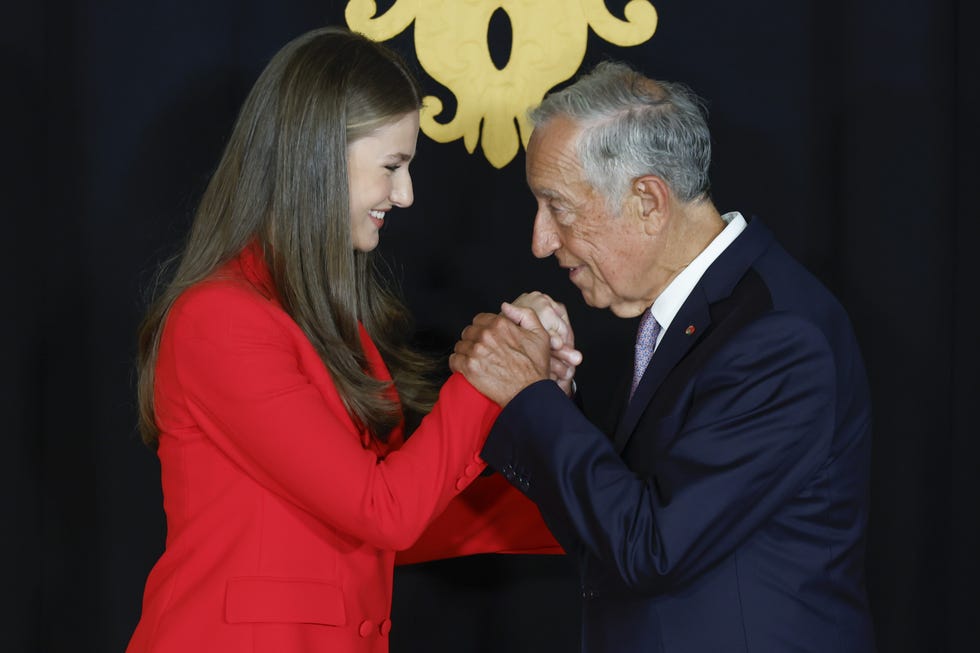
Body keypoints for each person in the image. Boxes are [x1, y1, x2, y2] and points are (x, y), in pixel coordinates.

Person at [126, 26, 563, 653]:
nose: (406, 194)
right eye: (393, 166)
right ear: (318, 155)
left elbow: (395, 515)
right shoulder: (218, 318)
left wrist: (535, 405)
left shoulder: (324, 318)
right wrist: (491, 373)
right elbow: (385, 510)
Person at [449, 61, 876, 652]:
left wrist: (529, 398)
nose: (540, 241)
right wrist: (551, 401)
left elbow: (651, 550)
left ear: (648, 199)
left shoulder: (780, 337)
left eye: (558, 207)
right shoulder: (688, 313)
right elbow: (611, 536)